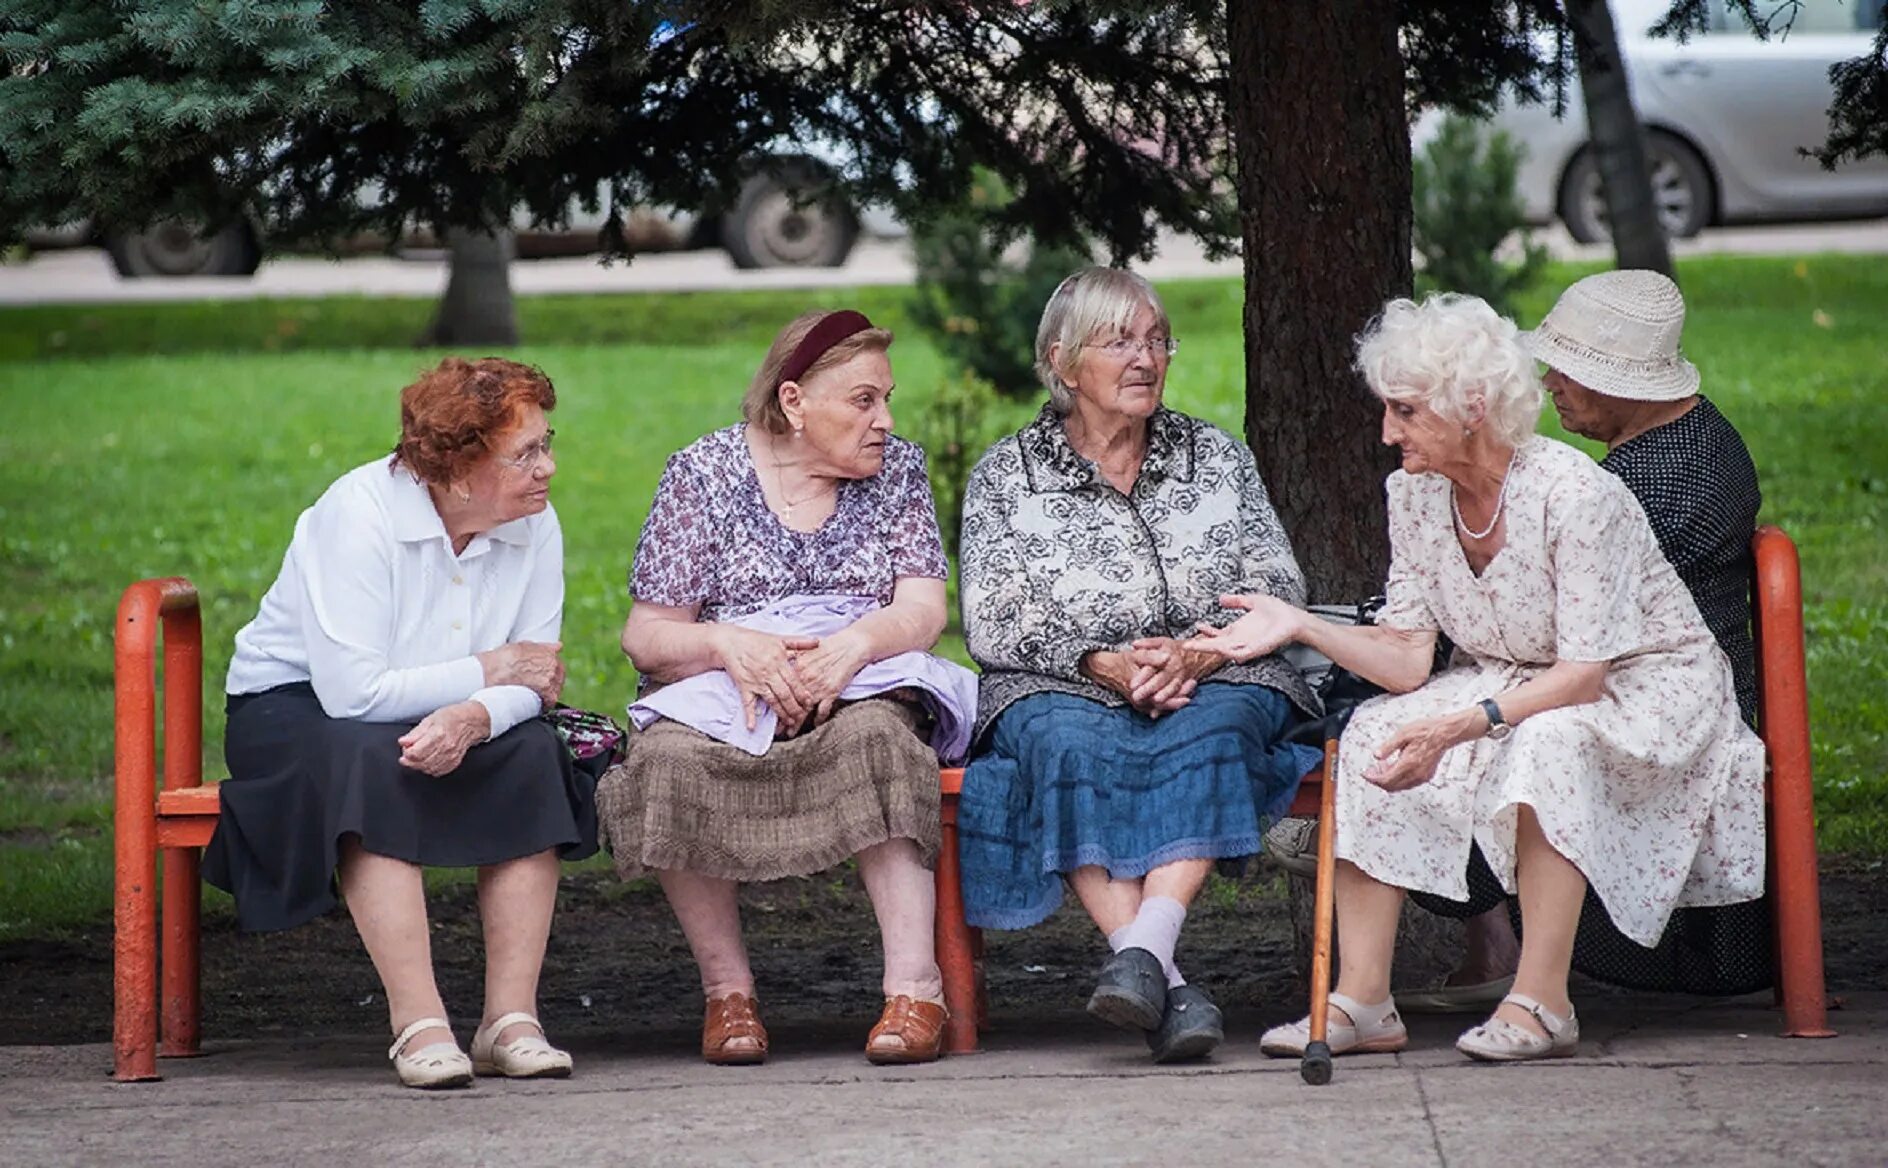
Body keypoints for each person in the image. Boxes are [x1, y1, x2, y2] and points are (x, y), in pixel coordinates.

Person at [1188, 293, 1766, 1063]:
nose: (1387, 431)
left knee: (1549, 742)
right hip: (1513, 674)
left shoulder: (1576, 494)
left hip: (1641, 686)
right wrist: (1299, 623)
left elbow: (1584, 676)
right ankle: (1363, 1002)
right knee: (1372, 729)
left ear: (1473, 407)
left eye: (1404, 410)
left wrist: (1464, 723)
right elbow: (1404, 657)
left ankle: (1542, 1002)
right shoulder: (1416, 494)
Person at [955, 267, 1322, 1064]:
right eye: (1119, 341)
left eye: (1157, 340)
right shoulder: (1005, 476)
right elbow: (991, 613)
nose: (1145, 358)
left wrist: (1197, 652)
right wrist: (1104, 661)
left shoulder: (1215, 457)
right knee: (1060, 741)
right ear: (1062, 361)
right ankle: (1170, 983)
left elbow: (1277, 581)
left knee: (1221, 722)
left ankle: (1142, 957)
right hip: (1061, 675)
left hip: (1215, 668)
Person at [205, 356, 600, 1089]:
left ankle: (510, 1020)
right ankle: (418, 1022)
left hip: (451, 700)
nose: (548, 467)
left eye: (548, 443)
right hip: (296, 707)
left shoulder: (534, 525)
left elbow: (538, 675)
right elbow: (353, 693)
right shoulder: (357, 513)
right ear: (456, 469)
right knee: (368, 756)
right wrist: (492, 671)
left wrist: (479, 714)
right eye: (527, 453)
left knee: (533, 753)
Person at [600, 309, 975, 1067]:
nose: (885, 420)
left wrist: (854, 645)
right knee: (667, 760)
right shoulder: (702, 474)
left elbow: (924, 608)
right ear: (795, 400)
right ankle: (727, 995)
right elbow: (646, 634)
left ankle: (915, 990)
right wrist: (726, 643)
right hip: (728, 686)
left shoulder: (897, 468)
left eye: (887, 399)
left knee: (878, 742)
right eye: (864, 400)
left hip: (860, 677)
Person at [1398, 269, 1770, 1014]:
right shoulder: (1681, 437)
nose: (1549, 383)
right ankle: (1496, 948)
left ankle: (1515, 967)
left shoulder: (1646, 483)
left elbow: (1559, 640)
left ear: (1628, 384)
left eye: (1568, 370)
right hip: (1611, 679)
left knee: (1453, 730)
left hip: (1655, 708)